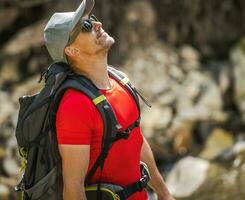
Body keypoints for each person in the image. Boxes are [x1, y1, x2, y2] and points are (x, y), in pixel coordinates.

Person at [43, 0, 175, 199]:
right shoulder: (75, 105)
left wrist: (164, 194)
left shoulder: (120, 81)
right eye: (86, 26)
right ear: (72, 51)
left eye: (93, 19)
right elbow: (73, 188)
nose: (98, 25)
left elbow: (135, 140)